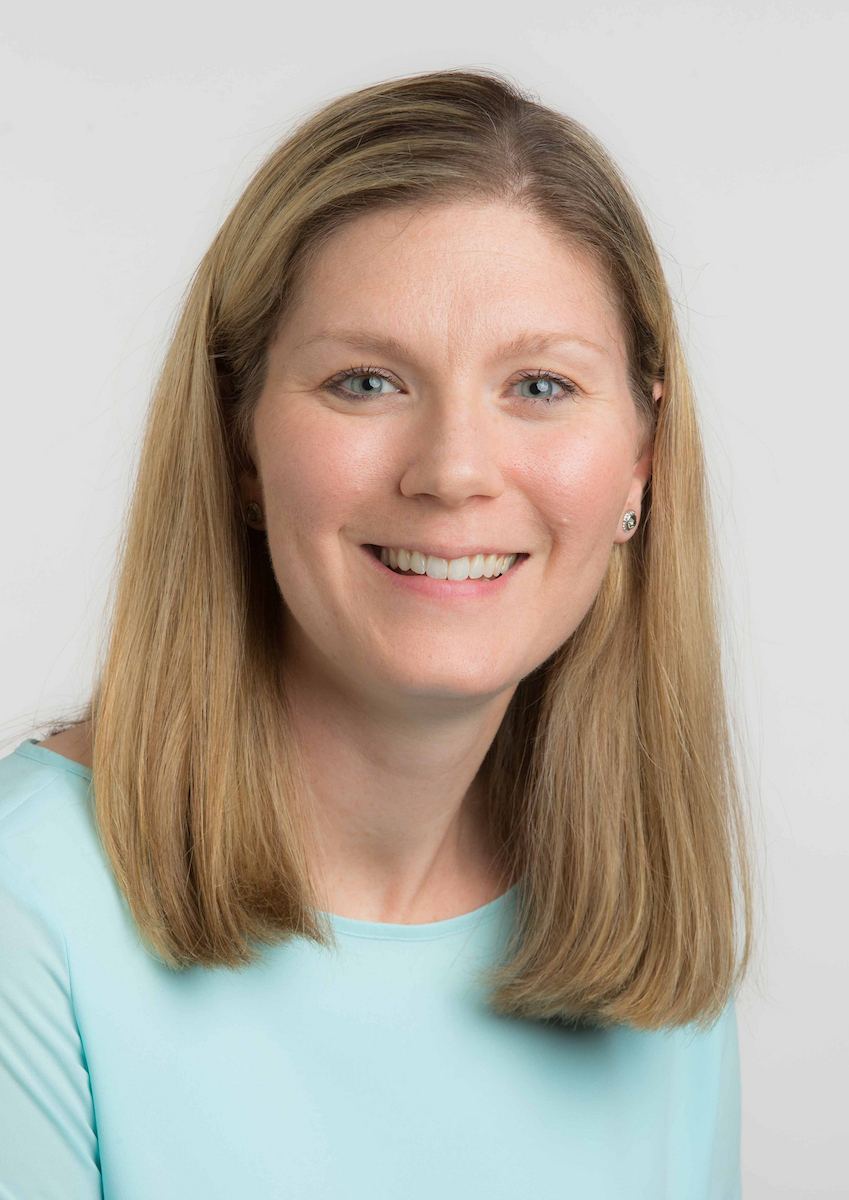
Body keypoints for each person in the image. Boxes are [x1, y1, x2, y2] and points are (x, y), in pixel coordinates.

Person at [0, 68, 755, 1198]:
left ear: (641, 457)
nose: (453, 471)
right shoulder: (31, 915)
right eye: (365, 380)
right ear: (242, 447)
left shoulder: (642, 946)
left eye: (540, 387)